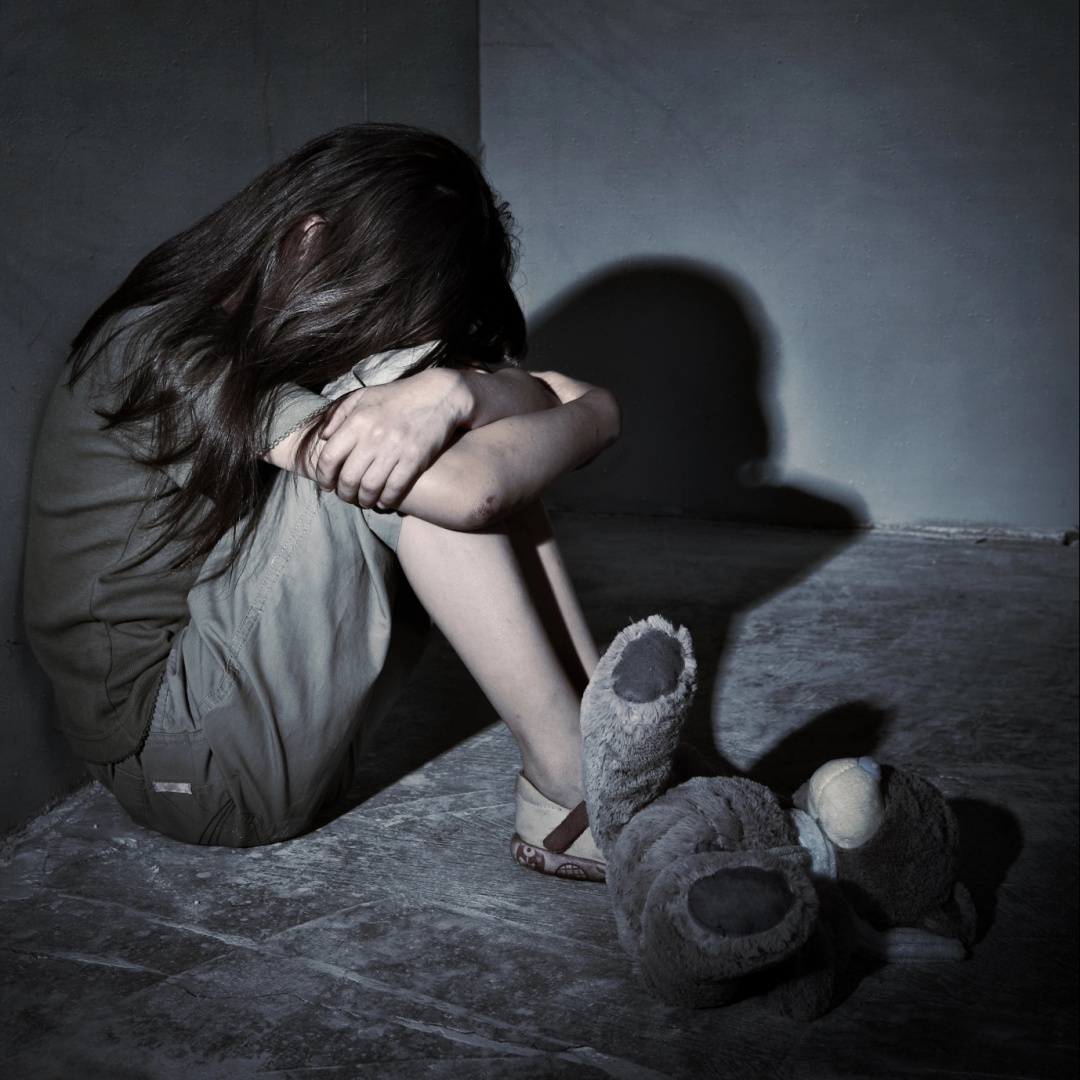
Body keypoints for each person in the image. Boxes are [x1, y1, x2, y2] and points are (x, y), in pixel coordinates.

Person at [23, 124, 620, 880]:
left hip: (266, 733)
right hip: (183, 766)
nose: (376, 336)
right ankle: (569, 781)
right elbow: (470, 489)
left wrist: (460, 390)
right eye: (381, 306)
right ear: (310, 240)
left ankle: (608, 735)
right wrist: (585, 412)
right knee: (387, 429)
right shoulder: (161, 349)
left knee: (407, 416)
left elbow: (529, 406)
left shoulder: (255, 344)